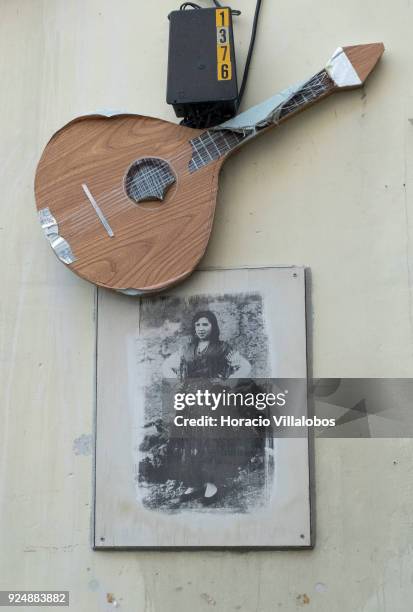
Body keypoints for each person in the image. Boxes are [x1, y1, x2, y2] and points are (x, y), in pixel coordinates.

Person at [162, 310, 251, 505]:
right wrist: (177, 384)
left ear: (213, 326)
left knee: (210, 438)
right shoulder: (186, 349)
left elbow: (245, 366)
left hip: (213, 399)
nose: (201, 329)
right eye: (197, 325)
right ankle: (194, 483)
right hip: (190, 400)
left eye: (205, 324)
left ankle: (213, 485)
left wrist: (228, 383)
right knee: (190, 439)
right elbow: (166, 366)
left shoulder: (223, 348)